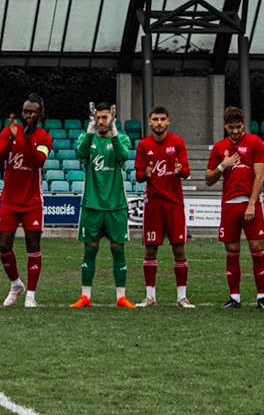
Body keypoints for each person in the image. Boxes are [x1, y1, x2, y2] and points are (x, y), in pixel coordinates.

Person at [72, 102, 135, 309]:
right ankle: (85, 296)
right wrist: (90, 131)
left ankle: (121, 297)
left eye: (105, 117)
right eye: (98, 117)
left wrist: (114, 132)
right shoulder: (86, 138)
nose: (101, 121)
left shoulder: (121, 138)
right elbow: (80, 153)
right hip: (92, 204)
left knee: (118, 250)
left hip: (116, 205)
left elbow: (122, 156)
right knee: (90, 250)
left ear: (112, 119)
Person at [208, 106, 264, 309]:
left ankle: (261, 296)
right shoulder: (219, 148)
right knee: (232, 249)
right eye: (231, 127)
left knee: (256, 248)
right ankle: (234, 297)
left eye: (238, 127)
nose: (235, 131)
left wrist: (252, 203)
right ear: (225, 125)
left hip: (249, 203)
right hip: (229, 204)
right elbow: (209, 179)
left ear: (243, 124)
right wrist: (222, 165)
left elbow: (260, 175)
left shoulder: (255, 143)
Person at [0, 94, 52, 308]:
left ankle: (31, 295)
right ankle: (16, 284)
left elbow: (38, 161)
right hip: (9, 201)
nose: (28, 115)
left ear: (40, 114)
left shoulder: (45, 138)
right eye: (25, 111)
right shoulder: (9, 132)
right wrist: (10, 138)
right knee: (3, 246)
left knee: (33, 245)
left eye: (32, 112)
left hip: (32, 202)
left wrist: (26, 138)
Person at [135, 107, 193, 307]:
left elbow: (186, 172)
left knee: (179, 249)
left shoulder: (178, 143)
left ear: (168, 121)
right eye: (155, 119)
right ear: (149, 122)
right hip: (153, 203)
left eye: (162, 119)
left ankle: (182, 297)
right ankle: (150, 296)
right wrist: (146, 174)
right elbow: (138, 176)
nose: (159, 122)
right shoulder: (143, 145)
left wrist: (180, 170)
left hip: (174, 203)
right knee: (151, 250)